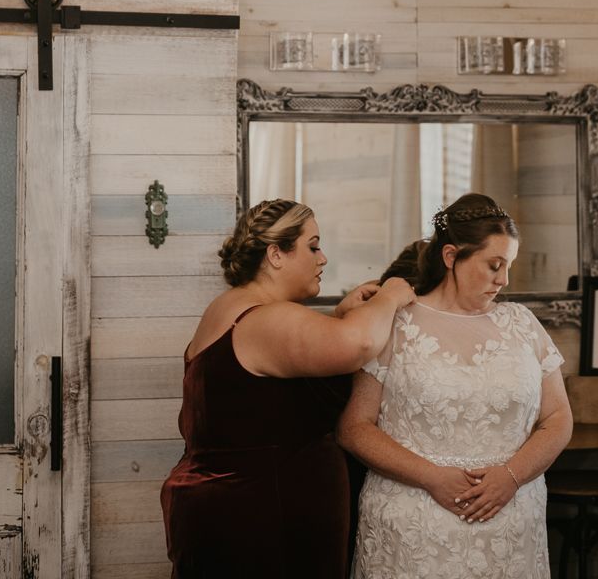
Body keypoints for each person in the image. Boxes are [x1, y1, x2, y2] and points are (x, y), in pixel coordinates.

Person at [160, 198, 415, 579]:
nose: (322, 258)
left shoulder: (228, 307)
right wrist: (391, 296)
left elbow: (269, 396)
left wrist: (340, 316)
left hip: (226, 508)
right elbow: (358, 344)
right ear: (276, 254)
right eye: (312, 246)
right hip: (263, 519)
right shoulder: (264, 318)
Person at [337, 193, 573, 579]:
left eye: (509, 266)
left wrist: (511, 475)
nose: (504, 280)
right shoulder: (397, 323)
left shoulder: (524, 324)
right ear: (451, 256)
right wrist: (432, 477)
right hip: (413, 527)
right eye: (495, 265)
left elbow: (558, 417)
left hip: (511, 524)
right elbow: (353, 428)